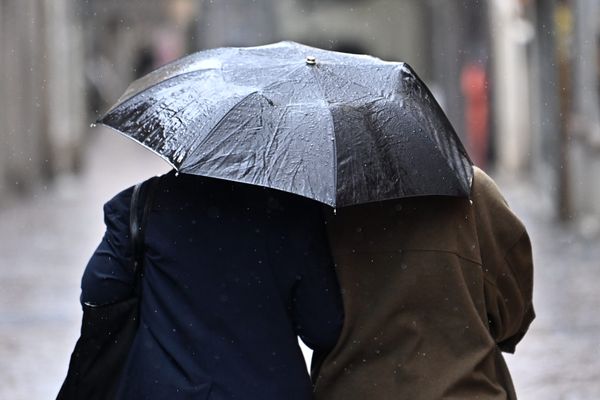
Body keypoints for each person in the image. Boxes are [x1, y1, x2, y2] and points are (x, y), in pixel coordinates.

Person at [80, 170, 343, 399]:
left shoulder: (144, 203)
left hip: (163, 389)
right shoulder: (294, 213)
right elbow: (323, 327)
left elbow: (99, 290)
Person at [313, 166, 534, 400]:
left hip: (350, 388)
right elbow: (512, 307)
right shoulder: (471, 188)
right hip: (464, 389)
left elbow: (313, 320)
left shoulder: (320, 200)